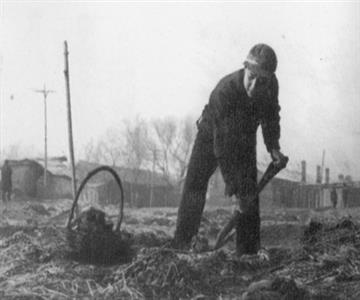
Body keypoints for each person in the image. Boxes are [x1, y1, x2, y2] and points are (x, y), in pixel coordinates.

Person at [172, 44, 287, 255]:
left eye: (261, 81)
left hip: (244, 136)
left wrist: (273, 147)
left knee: (250, 191)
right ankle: (182, 244)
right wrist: (235, 188)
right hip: (212, 134)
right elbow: (224, 149)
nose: (254, 86)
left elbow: (271, 115)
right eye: (251, 77)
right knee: (195, 185)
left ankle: (248, 252)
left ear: (269, 79)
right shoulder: (225, 91)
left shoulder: (271, 86)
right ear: (245, 67)